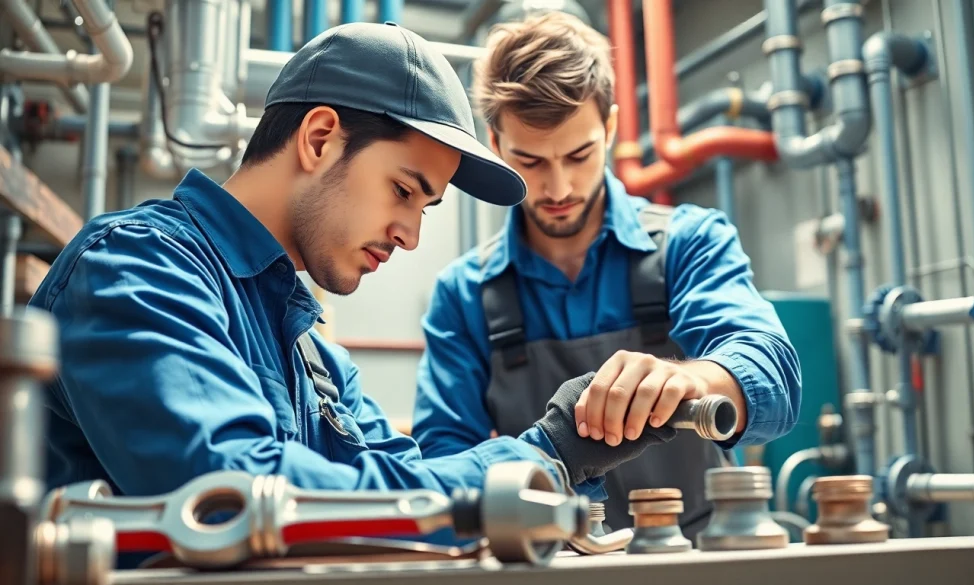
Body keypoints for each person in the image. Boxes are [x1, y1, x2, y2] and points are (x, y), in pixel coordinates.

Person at [30, 22, 677, 550]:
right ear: (318, 138)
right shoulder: (137, 270)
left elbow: (409, 490)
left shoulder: (312, 356)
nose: (410, 236)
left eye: (424, 208)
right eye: (403, 190)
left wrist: (554, 449)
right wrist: (537, 462)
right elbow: (236, 494)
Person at [411, 12, 802, 539]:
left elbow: (774, 381)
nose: (557, 187)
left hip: (693, 562)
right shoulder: (464, 296)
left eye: (579, 154)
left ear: (611, 128)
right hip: (547, 567)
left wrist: (685, 380)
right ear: (496, 145)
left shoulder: (689, 242)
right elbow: (445, 469)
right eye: (530, 160)